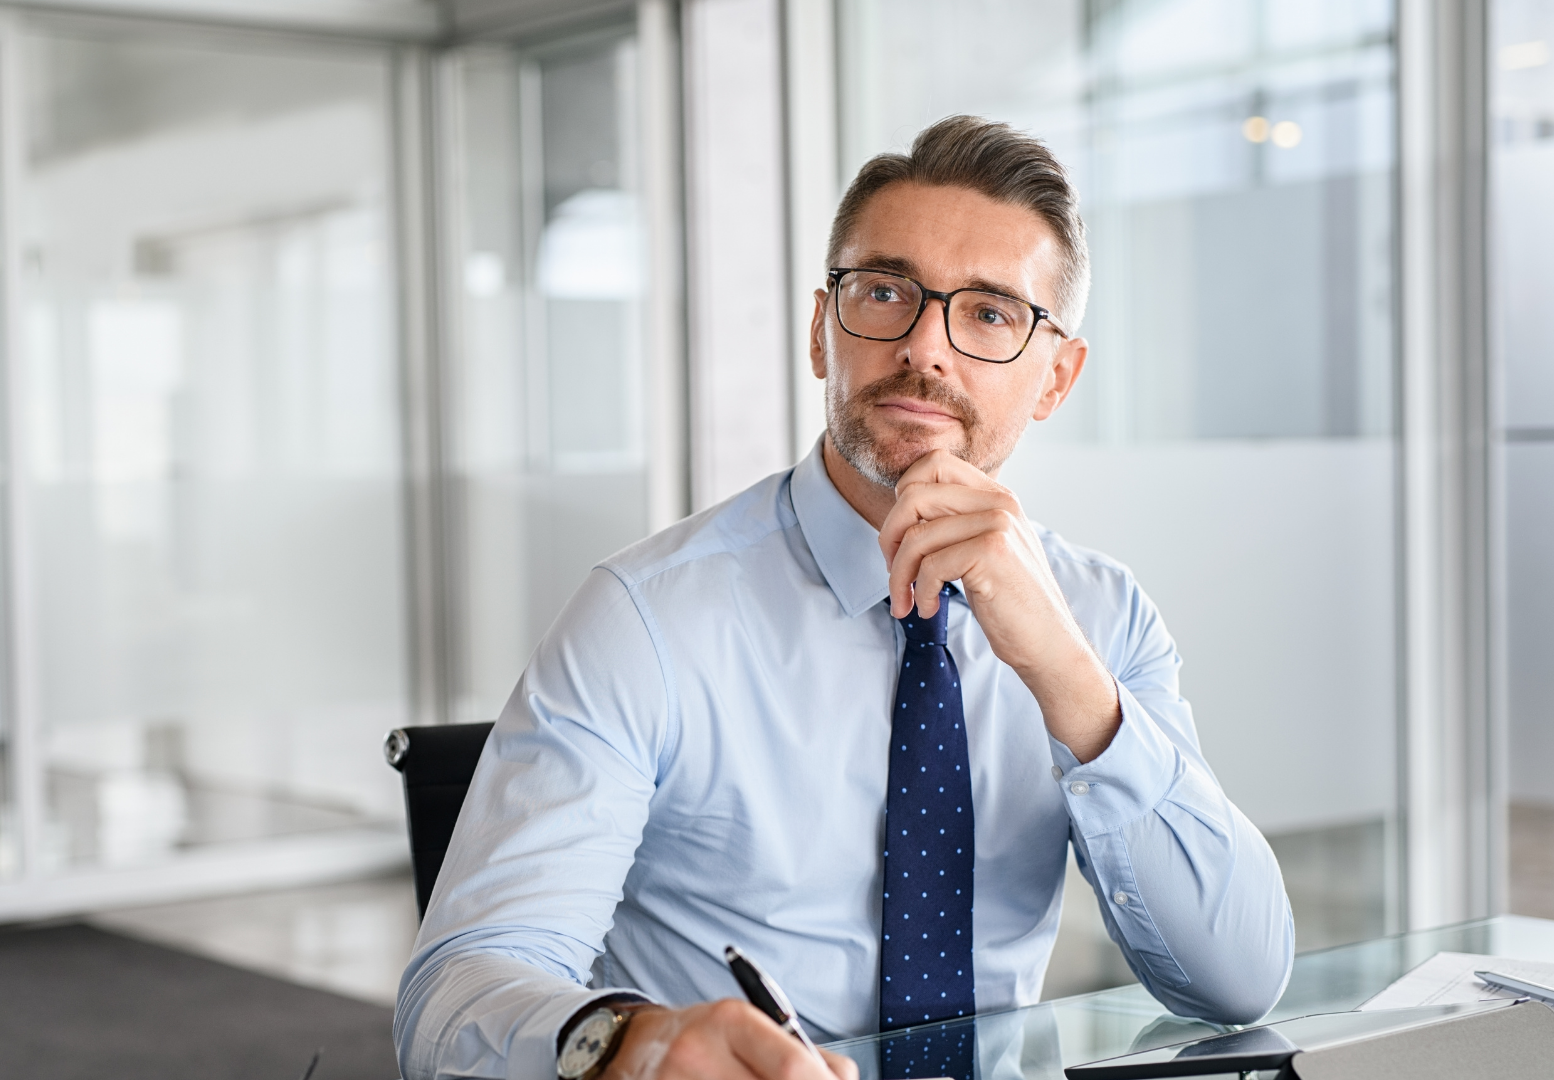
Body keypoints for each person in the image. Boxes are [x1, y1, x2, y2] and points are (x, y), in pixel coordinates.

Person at [394, 115, 1294, 1080]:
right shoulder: (646, 618)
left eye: (989, 313)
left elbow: (1237, 982)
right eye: (884, 293)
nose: (926, 348)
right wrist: (629, 1046)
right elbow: (456, 995)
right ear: (824, 331)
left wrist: (1065, 673)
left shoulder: (1102, 618)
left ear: (1057, 379)